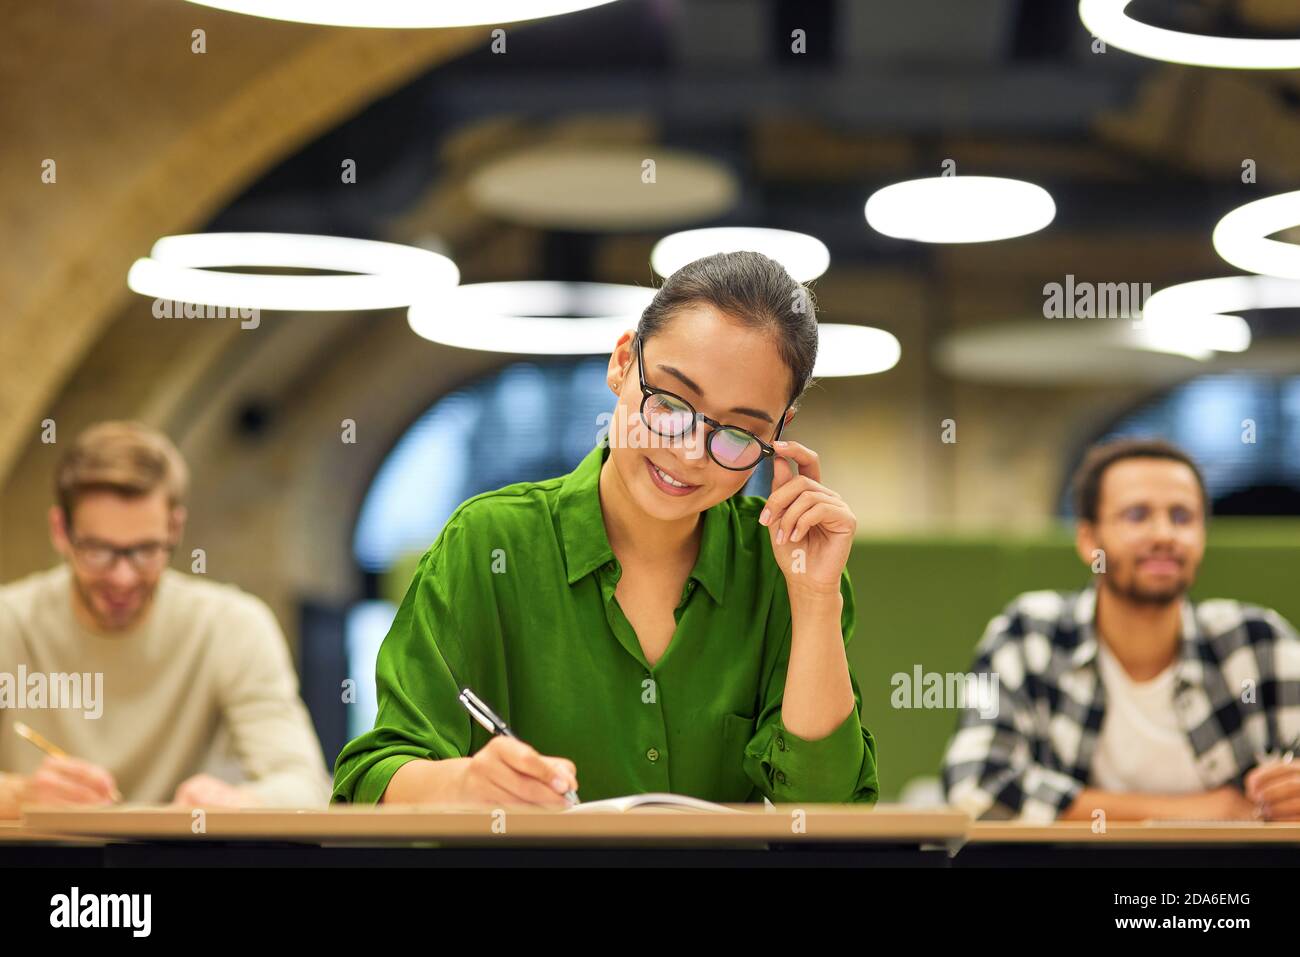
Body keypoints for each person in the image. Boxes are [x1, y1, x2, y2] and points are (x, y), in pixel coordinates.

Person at [333, 251, 878, 806]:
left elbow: (826, 812)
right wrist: (463, 785)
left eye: (738, 432)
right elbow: (367, 785)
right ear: (622, 363)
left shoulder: (779, 570)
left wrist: (813, 599)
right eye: (669, 403)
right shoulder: (488, 544)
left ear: (779, 432)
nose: (689, 452)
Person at [942, 438, 1300, 822]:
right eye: (1137, 515)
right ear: (1087, 540)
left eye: (1182, 517)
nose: (1164, 535)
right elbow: (976, 785)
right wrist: (1209, 811)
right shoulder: (1031, 634)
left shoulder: (1258, 641)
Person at [0, 421, 331, 817]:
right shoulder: (10, 622)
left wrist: (243, 802)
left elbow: (308, 786)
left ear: (175, 527)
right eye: (98, 550)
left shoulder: (231, 625)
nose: (122, 577)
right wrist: (19, 796)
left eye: (145, 550)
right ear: (60, 531)